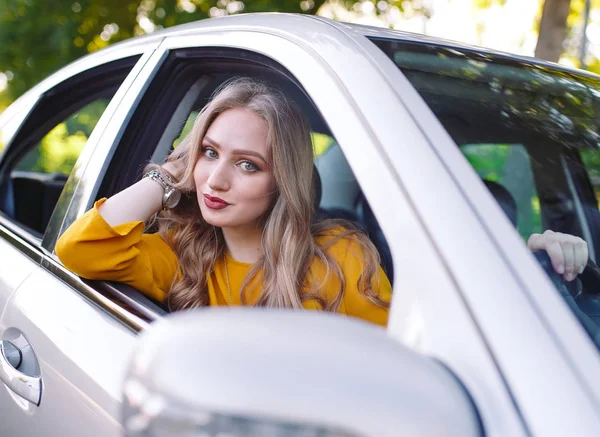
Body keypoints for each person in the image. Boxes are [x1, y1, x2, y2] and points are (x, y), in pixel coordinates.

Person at [56, 77, 589, 327]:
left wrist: (529, 266)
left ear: (280, 181)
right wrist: (173, 172)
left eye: (247, 164)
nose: (216, 179)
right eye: (210, 154)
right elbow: (79, 249)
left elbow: (418, 355)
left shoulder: (338, 256)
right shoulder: (179, 255)